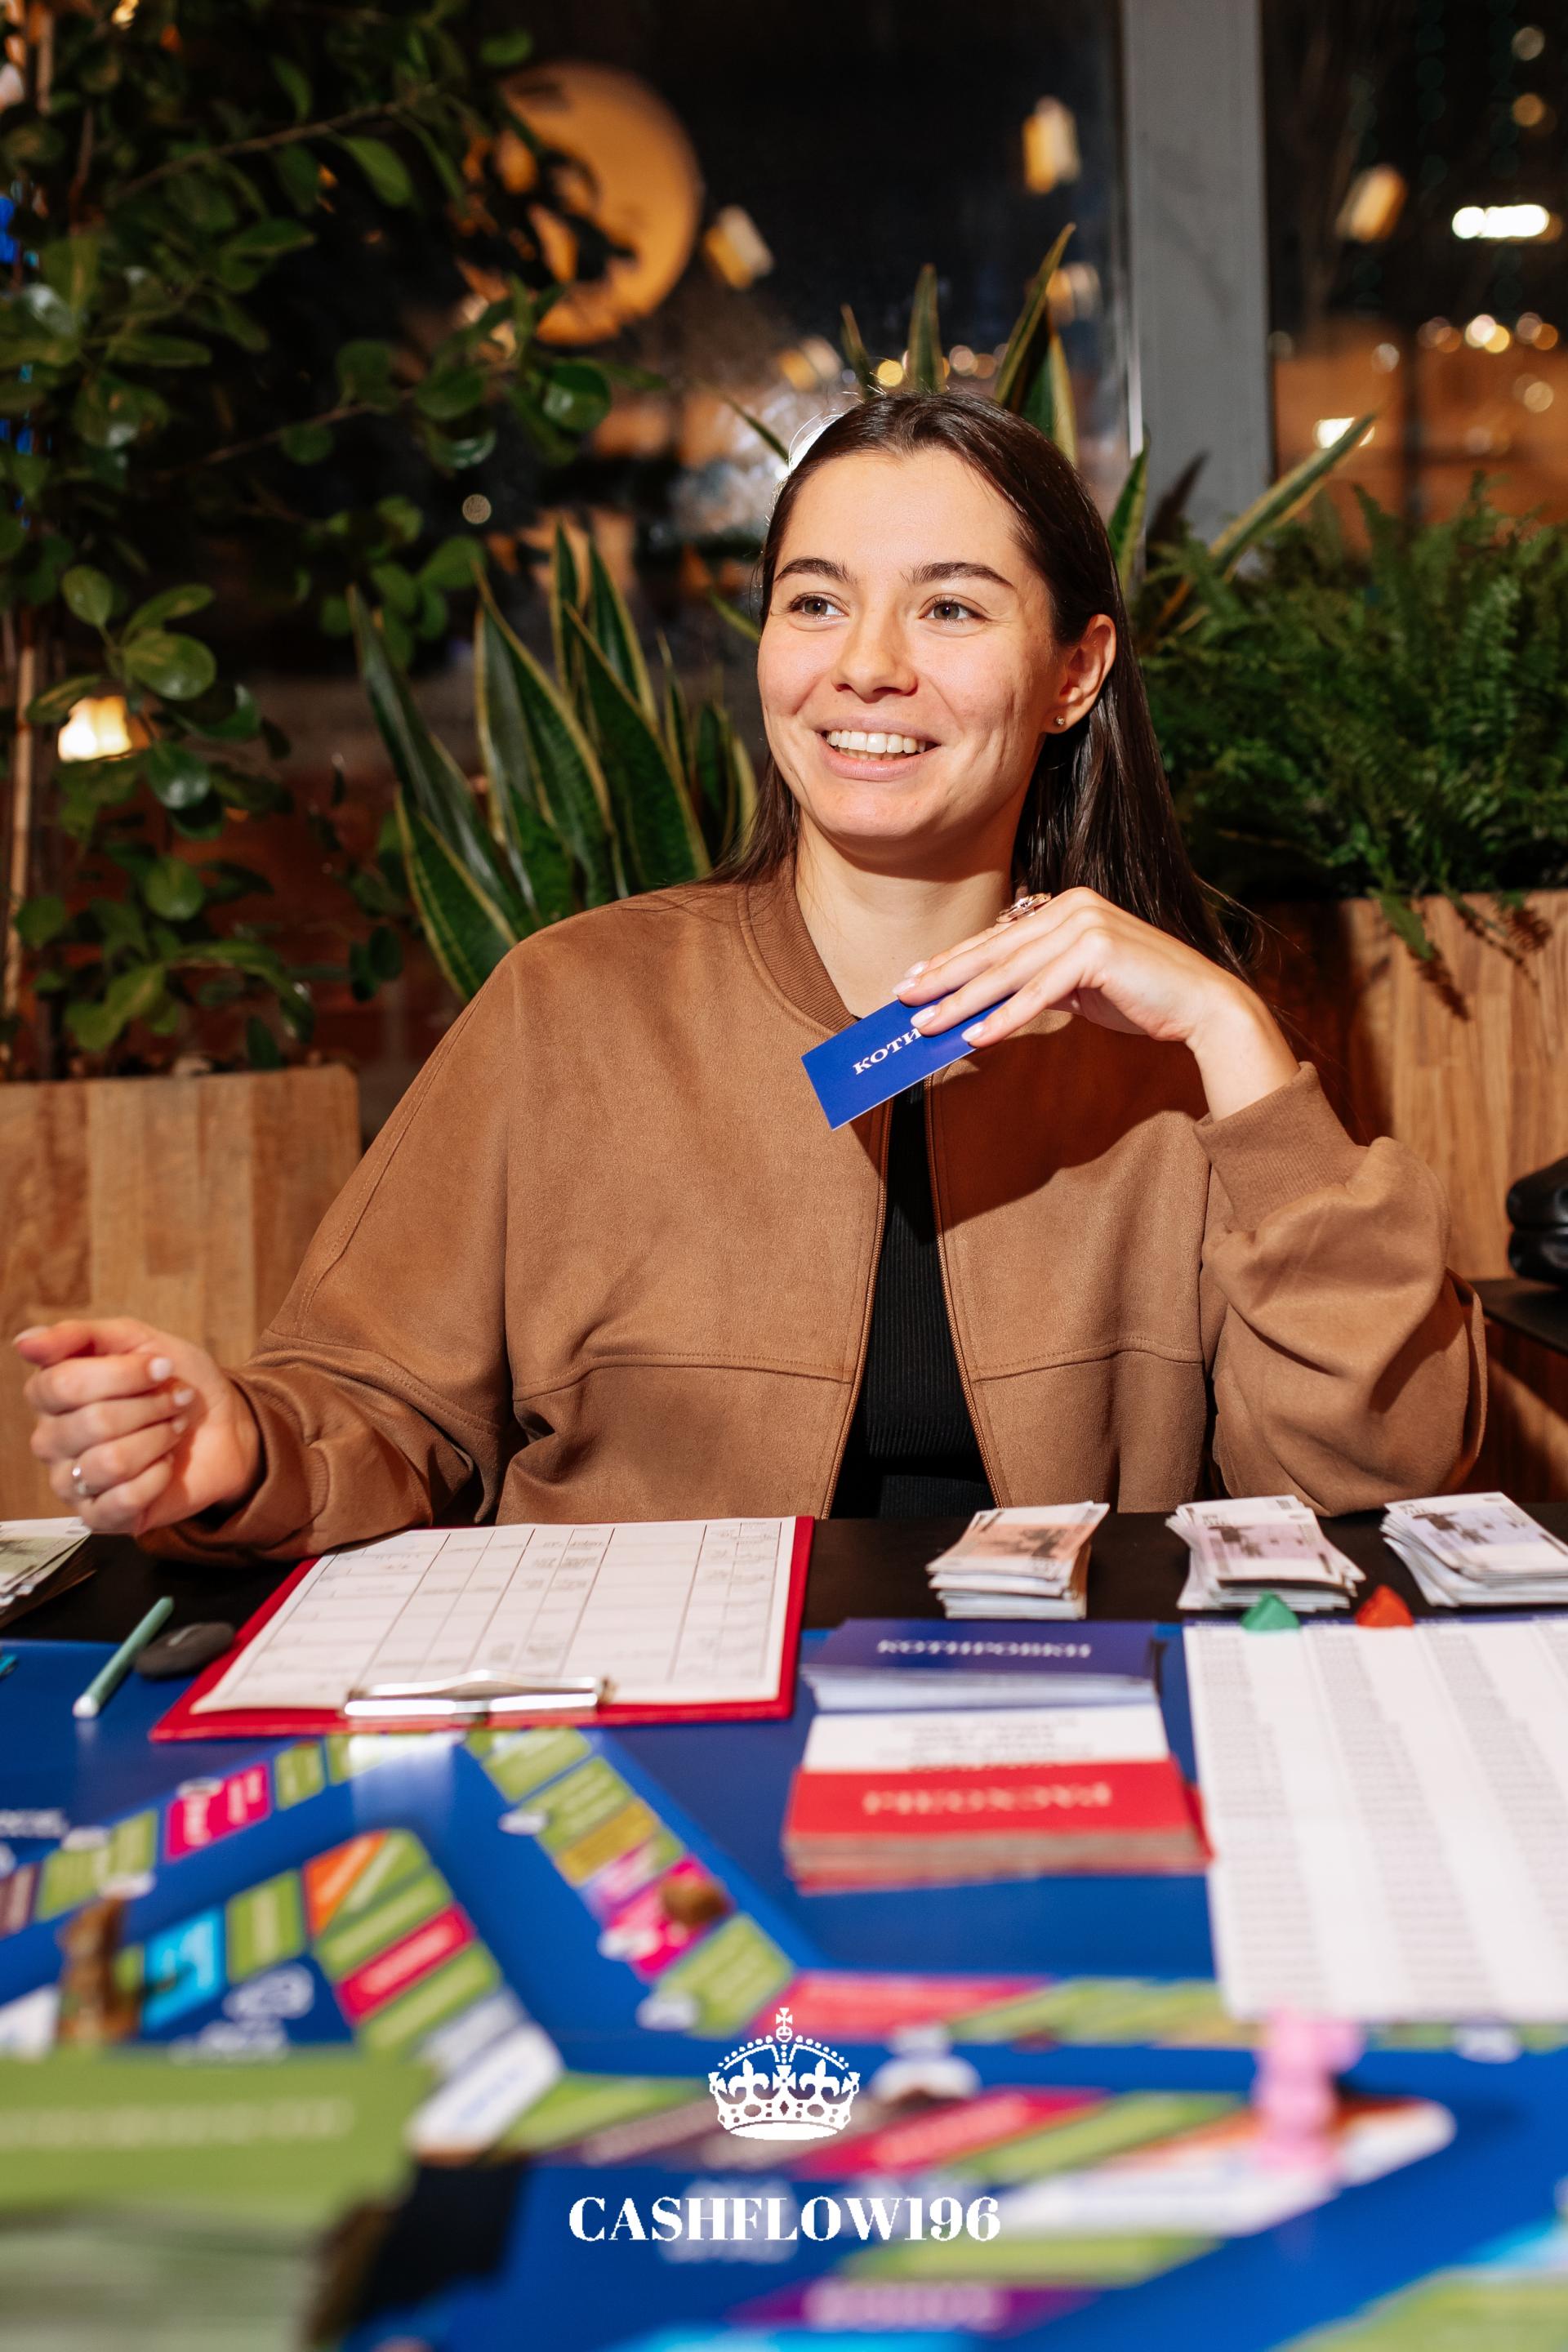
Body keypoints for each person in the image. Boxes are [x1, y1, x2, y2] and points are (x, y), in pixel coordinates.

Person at [16, 393, 1484, 1556]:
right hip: (644, 1739)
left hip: (1047, 1724)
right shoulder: (571, 1004)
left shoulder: (1184, 1046)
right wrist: (241, 1453)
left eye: (952, 608)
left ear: (1075, 672)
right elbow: (374, 1405)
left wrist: (1228, 1030)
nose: (868, 665)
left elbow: (1378, 1481)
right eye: (817, 601)